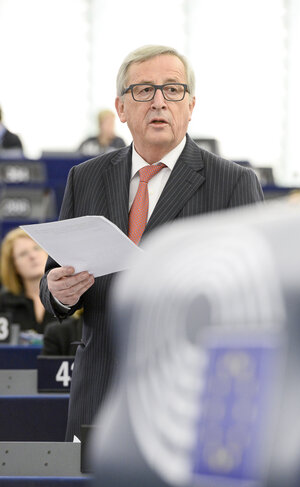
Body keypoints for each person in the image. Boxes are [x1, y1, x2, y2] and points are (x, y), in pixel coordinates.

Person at [40, 44, 264, 441]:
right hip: (99, 393)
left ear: (191, 105)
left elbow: (254, 296)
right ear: (121, 108)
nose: (159, 101)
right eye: (143, 90)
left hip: (187, 400)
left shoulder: (233, 184)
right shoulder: (84, 178)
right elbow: (53, 282)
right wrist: (58, 293)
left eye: (172, 89)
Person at [0, 228, 56, 333]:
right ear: (13, 266)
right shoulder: (3, 303)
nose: (32, 256)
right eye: (23, 254)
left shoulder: (70, 297)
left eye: (37, 248)